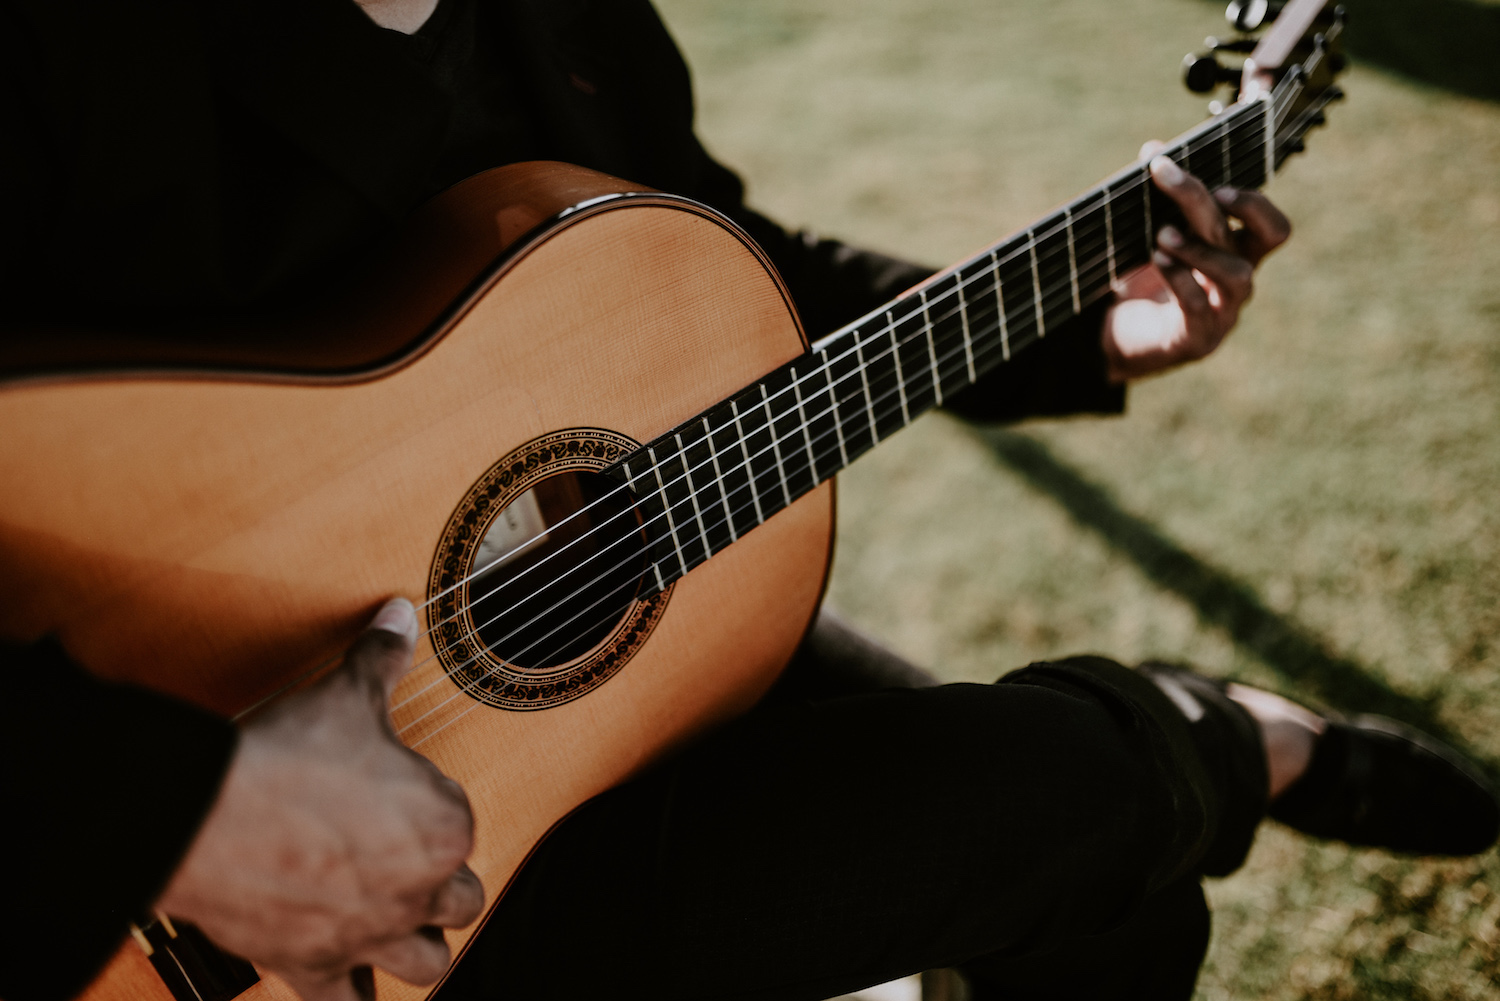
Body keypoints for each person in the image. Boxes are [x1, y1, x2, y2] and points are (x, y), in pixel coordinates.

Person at [2, 2, 1495, 1000]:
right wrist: (180, 815)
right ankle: (1231, 737)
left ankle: (1201, 742)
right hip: (227, 892)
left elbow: (713, 264)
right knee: (1084, 803)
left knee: (1110, 886)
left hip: (576, 653)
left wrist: (1083, 326)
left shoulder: (557, 17)